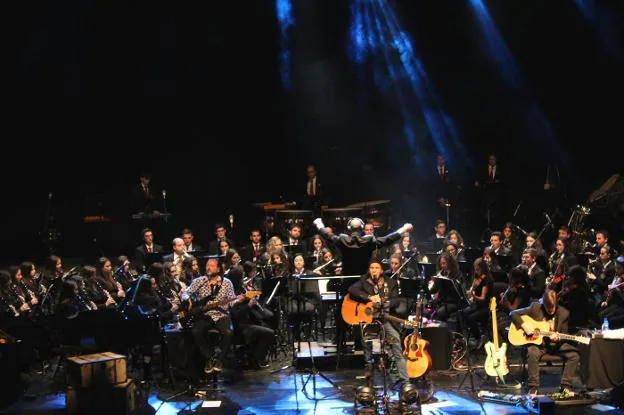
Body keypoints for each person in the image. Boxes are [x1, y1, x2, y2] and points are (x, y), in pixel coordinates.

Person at [347, 259, 409, 386]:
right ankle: (369, 373)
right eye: (372, 268)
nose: (374, 270)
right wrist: (368, 297)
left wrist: (384, 302)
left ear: (381, 270)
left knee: (396, 345)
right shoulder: (364, 281)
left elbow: (396, 300)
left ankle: (405, 380)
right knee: (367, 345)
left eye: (376, 267)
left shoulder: (390, 283)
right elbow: (351, 290)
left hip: (385, 319)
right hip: (369, 320)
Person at [510, 289, 580, 396]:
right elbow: (513, 313)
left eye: (553, 308)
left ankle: (566, 386)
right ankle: (533, 387)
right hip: (539, 345)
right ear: (543, 304)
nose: (551, 310)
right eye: (548, 308)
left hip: (555, 346)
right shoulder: (535, 307)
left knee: (574, 355)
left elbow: (564, 333)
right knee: (532, 351)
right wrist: (524, 325)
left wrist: (558, 338)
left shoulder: (564, 313)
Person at [312, 217, 412, 276]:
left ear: (349, 228)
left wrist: (319, 224)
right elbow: (388, 239)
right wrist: (404, 228)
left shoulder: (342, 240)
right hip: (364, 281)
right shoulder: (369, 240)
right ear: (362, 229)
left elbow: (327, 235)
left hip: (347, 281)